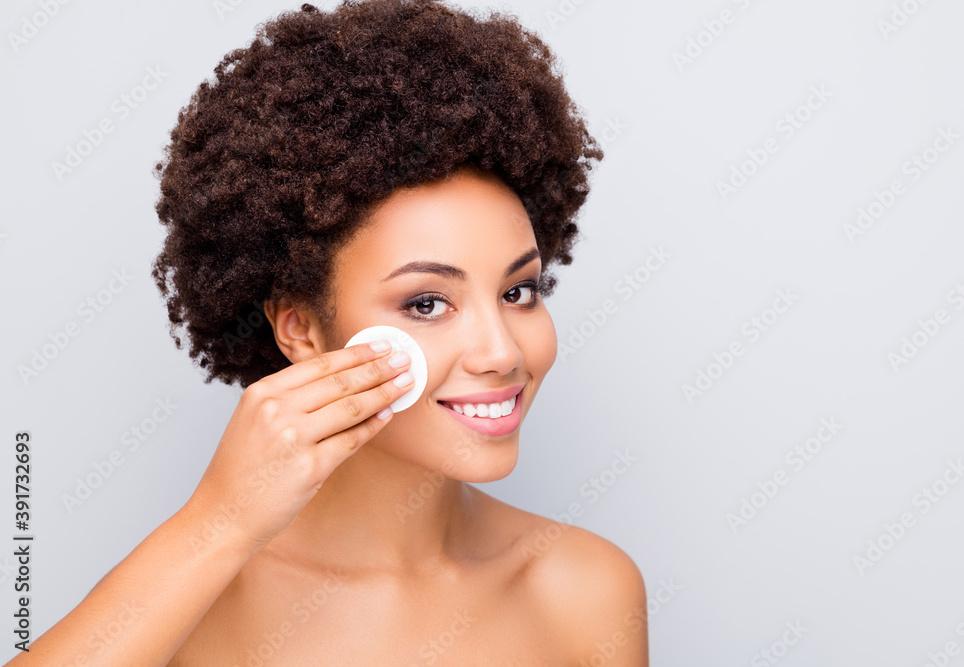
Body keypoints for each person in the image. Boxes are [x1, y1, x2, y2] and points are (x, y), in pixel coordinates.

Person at [7, 1, 649, 664]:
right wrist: (218, 523)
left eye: (518, 292)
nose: (502, 352)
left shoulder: (585, 589)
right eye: (427, 303)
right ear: (302, 330)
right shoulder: (187, 607)